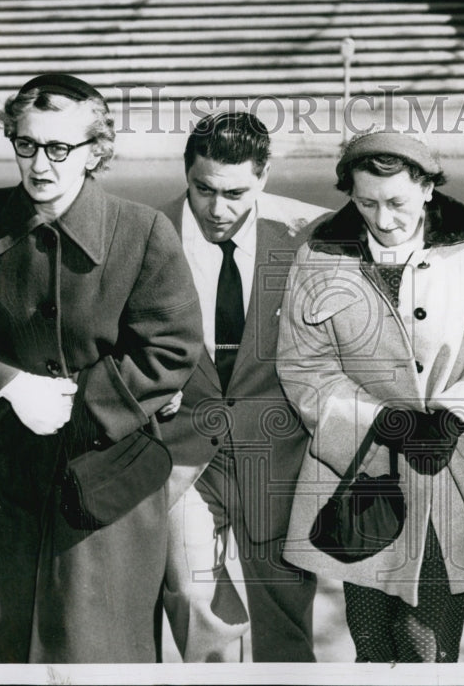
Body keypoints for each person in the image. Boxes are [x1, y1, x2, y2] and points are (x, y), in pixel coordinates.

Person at [0, 74, 203, 663]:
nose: (41, 164)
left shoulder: (142, 231)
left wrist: (83, 401)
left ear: (97, 150)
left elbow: (172, 348)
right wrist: (11, 384)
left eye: (60, 149)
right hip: (10, 468)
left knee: (99, 649)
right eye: (27, 145)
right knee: (15, 643)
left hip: (108, 471)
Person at [277, 127, 464, 663]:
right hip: (359, 483)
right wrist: (378, 423)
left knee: (427, 647)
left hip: (451, 474)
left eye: (397, 202)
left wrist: (458, 414)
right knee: (370, 642)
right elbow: (305, 366)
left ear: (427, 188)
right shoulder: (318, 253)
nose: (383, 218)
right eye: (366, 202)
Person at [157, 111, 326, 662]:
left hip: (279, 457)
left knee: (286, 625)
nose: (218, 209)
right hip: (181, 456)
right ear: (186, 174)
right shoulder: (145, 235)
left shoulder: (313, 237)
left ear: (265, 176)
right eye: (202, 189)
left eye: (236, 193)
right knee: (196, 604)